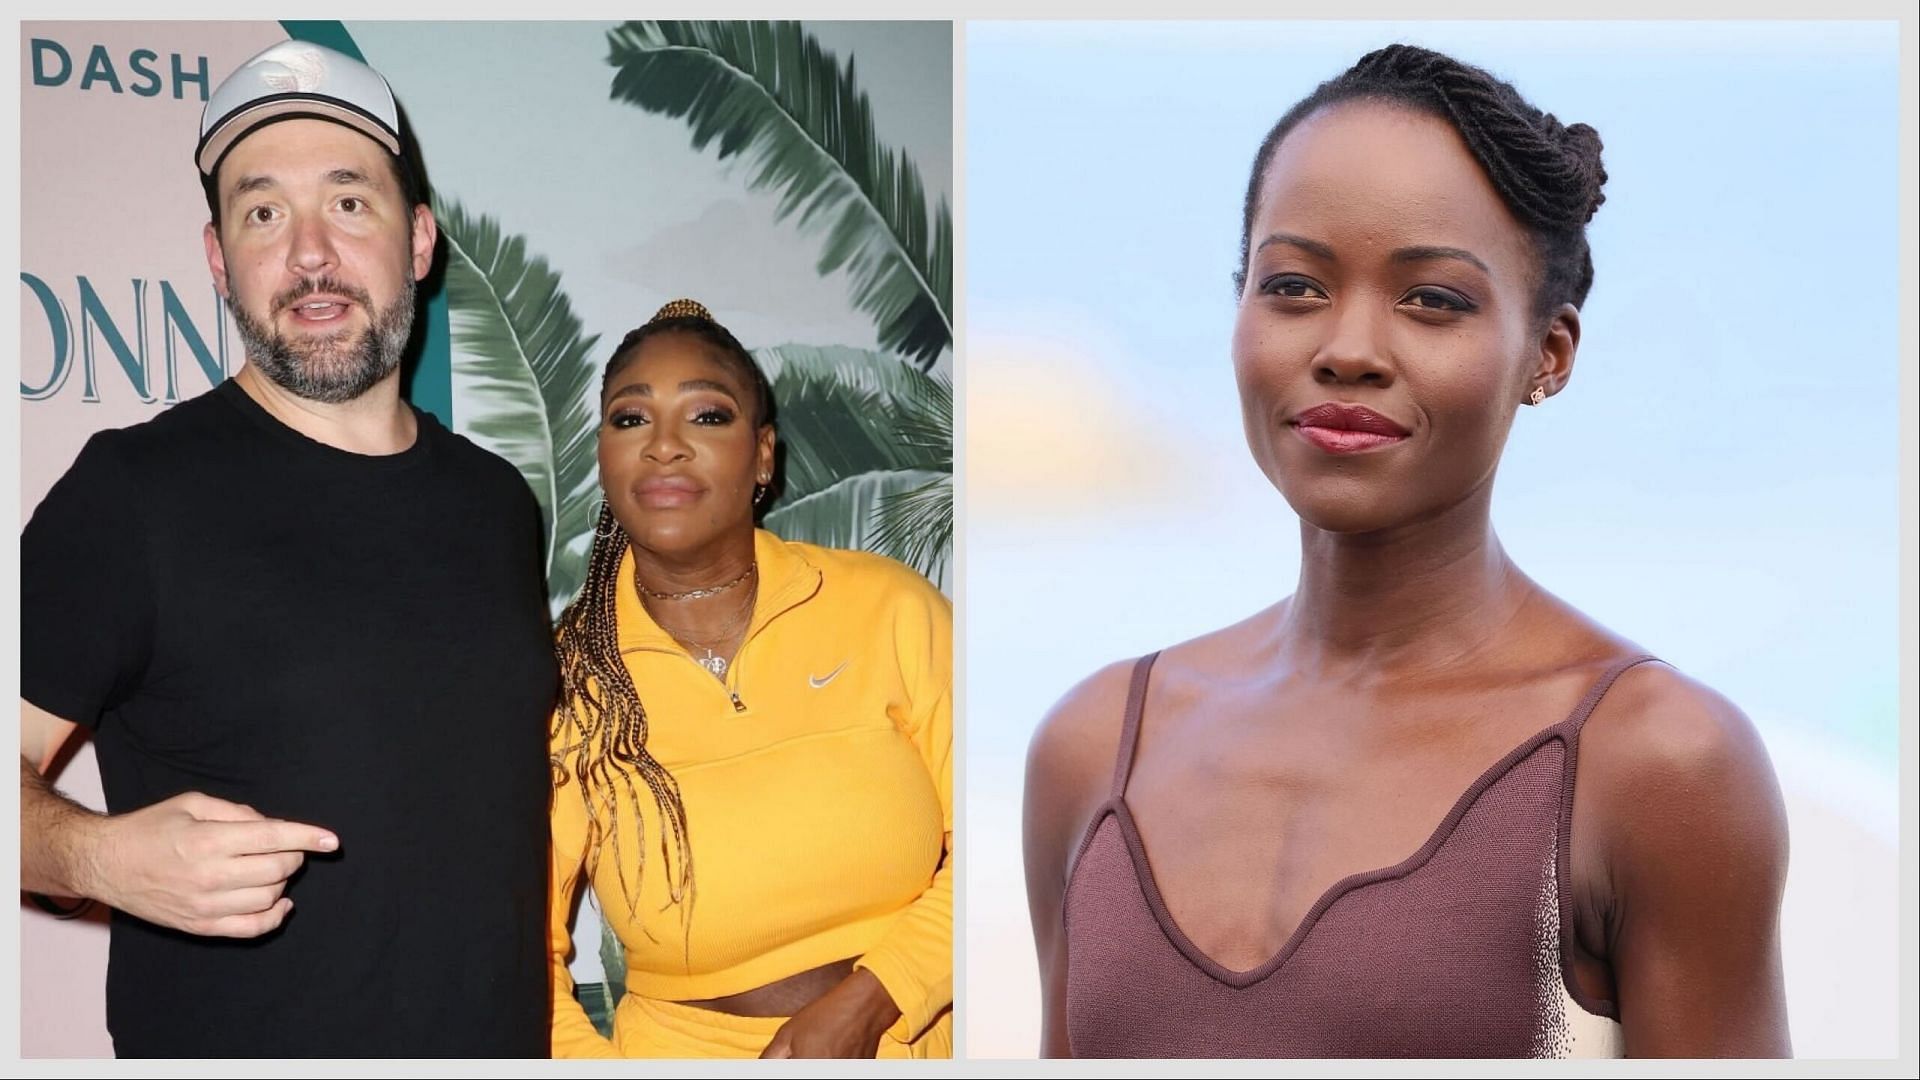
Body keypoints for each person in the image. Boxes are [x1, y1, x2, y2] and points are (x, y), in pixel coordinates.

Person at [1023, 44, 1790, 1059]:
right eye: (1293, 286)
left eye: (1432, 300)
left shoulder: (1654, 764)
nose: (1347, 347)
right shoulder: (1091, 750)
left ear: (1546, 355)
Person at [19, 40, 556, 1057]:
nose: (309, 252)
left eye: (350, 203)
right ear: (219, 258)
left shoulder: (496, 503)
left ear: (422, 239)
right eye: (263, 212)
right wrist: (92, 856)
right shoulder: (131, 496)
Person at [546, 299, 952, 1059]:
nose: (664, 447)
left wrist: (875, 1000)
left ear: (763, 455)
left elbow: (995, 842)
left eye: (706, 417)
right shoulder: (566, 681)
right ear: (603, 455)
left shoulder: (889, 606)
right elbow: (517, 951)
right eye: (631, 420)